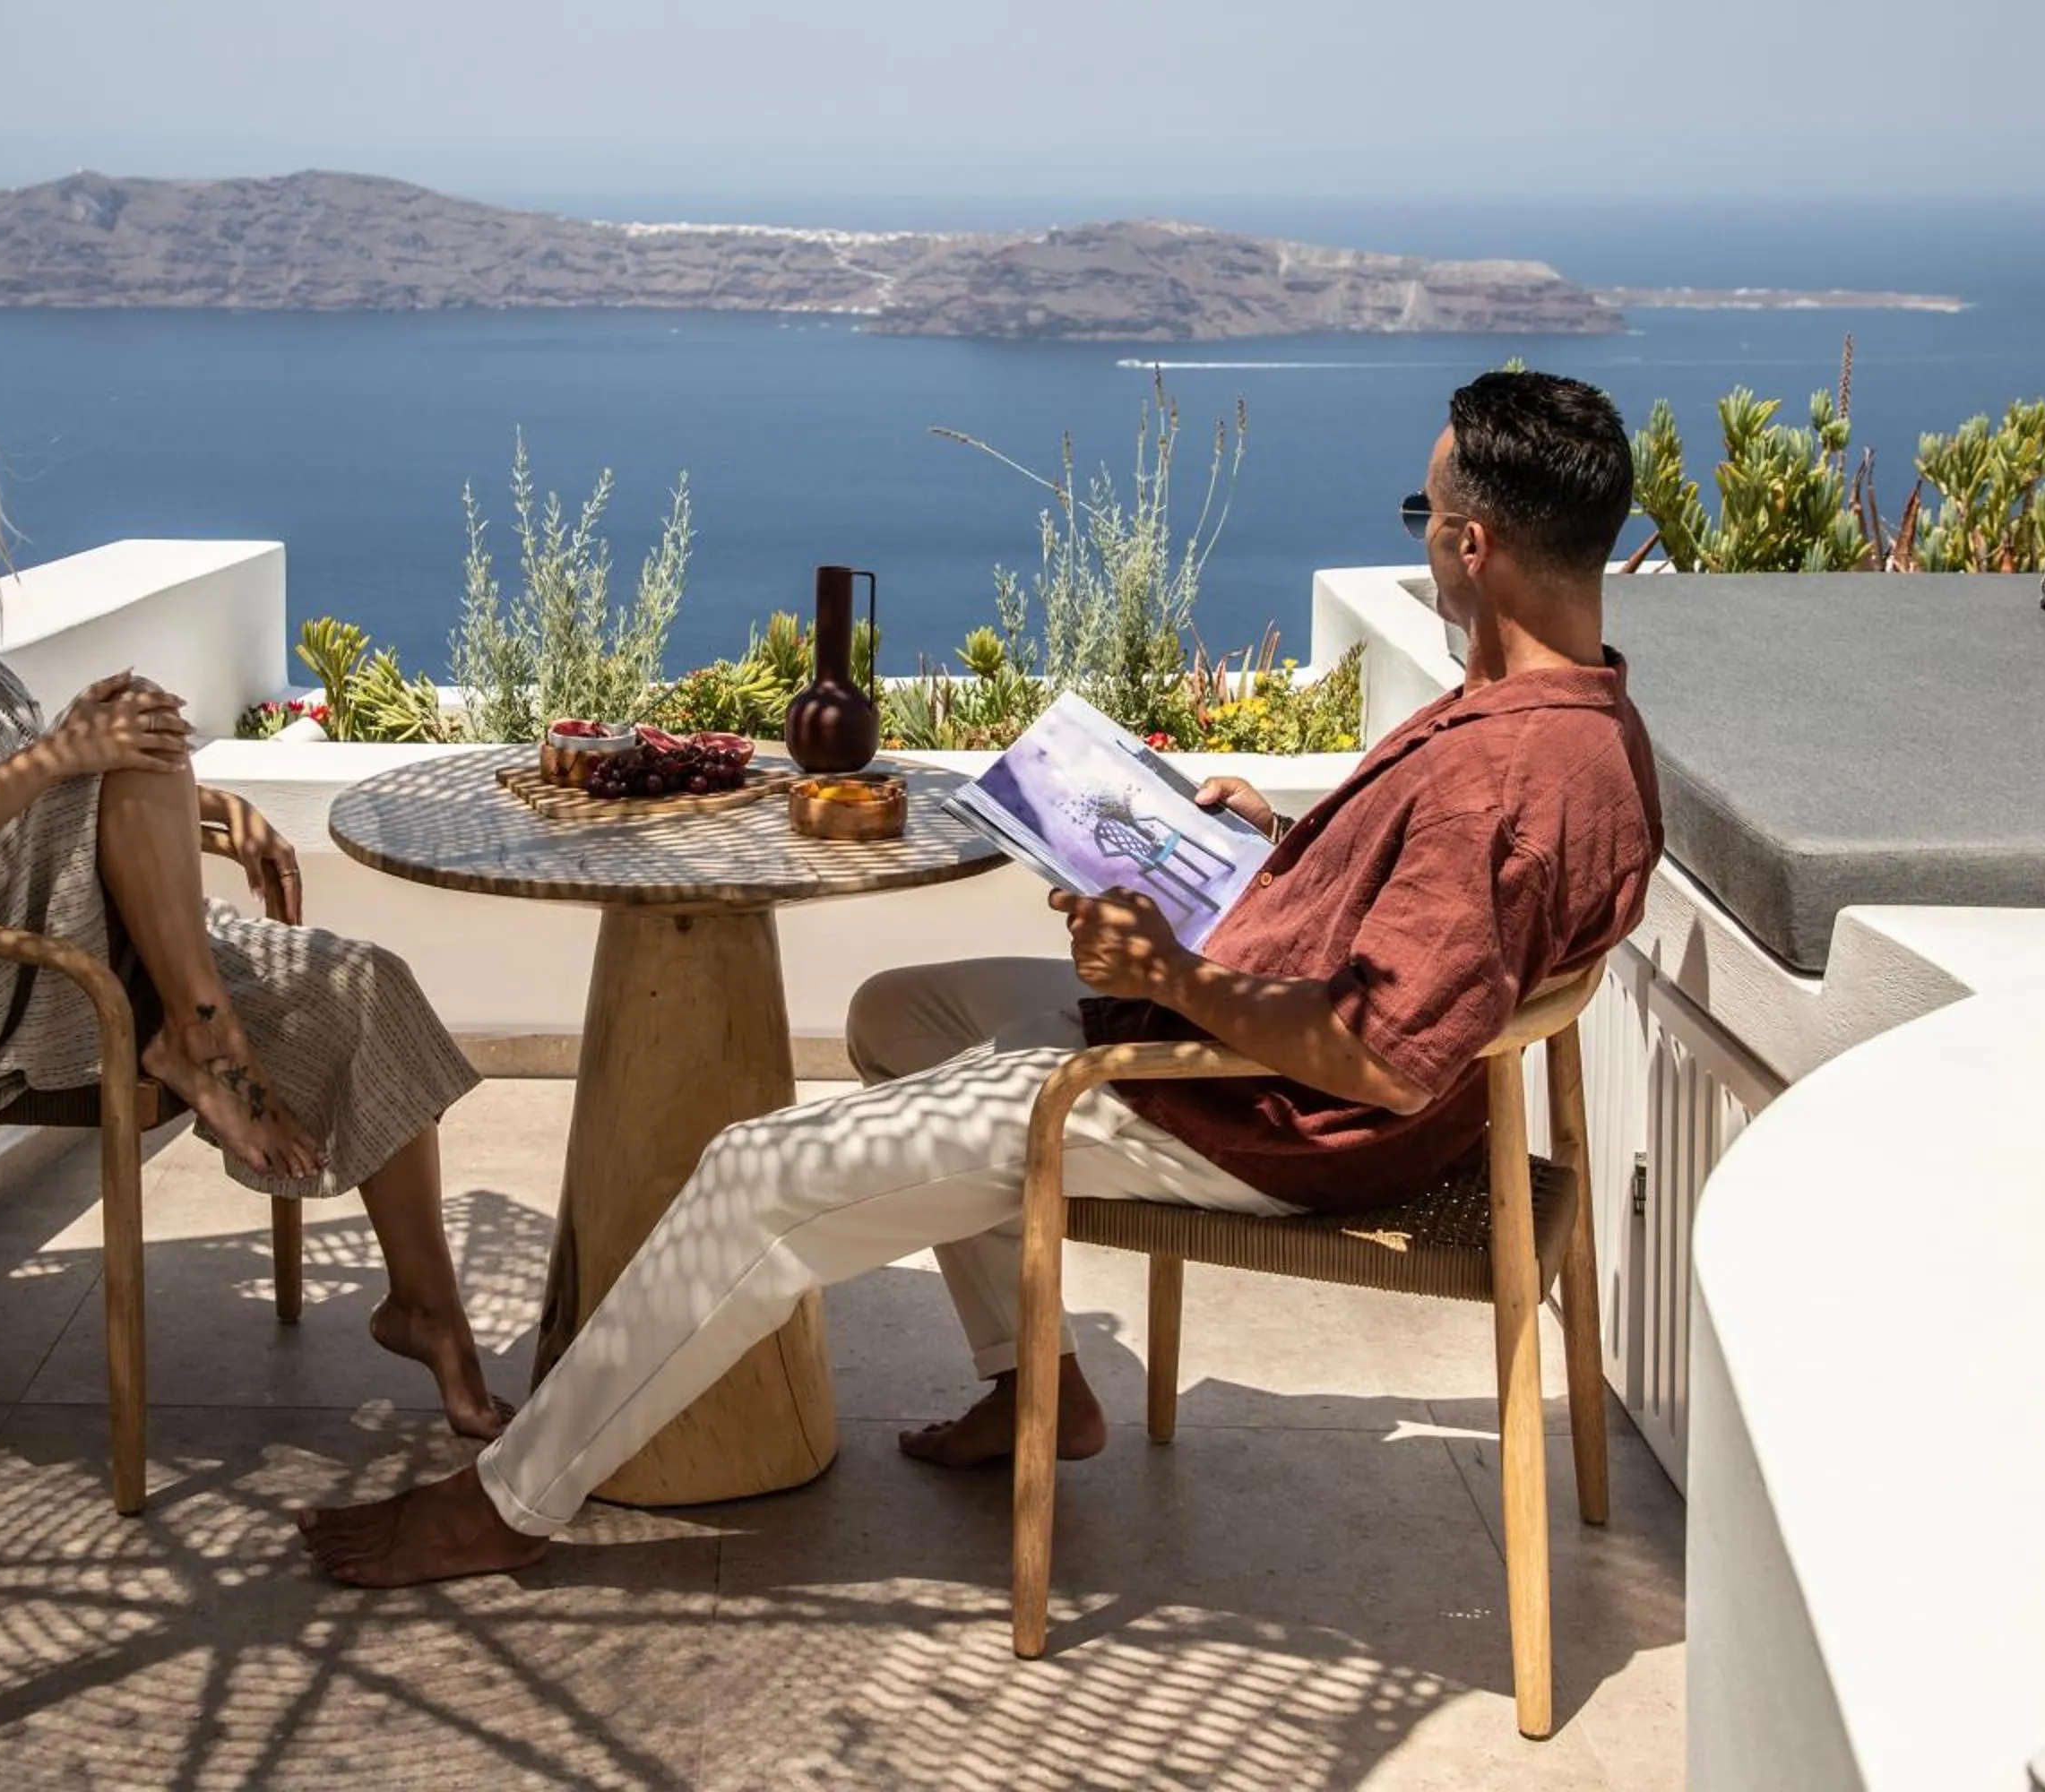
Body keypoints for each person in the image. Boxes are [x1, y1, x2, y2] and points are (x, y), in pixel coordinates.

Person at [298, 369, 1664, 1585]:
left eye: (1422, 519)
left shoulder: (1506, 772)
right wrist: (1269, 853)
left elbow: (1379, 1052)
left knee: (753, 1171)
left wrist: (1167, 972)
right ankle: (1039, 1387)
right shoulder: (1581, 719)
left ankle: (509, 1501)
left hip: (1257, 1113)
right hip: (1251, 1050)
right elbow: (1425, 933)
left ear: (1474, 544)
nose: (1423, 547)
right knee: (904, 1014)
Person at [0, 367, 505, 1438]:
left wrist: (191, 809)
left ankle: (428, 1311)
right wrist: (65, 759)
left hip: (89, 931)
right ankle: (200, 1028)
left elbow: (54, 783)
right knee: (119, 734)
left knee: (358, 979)